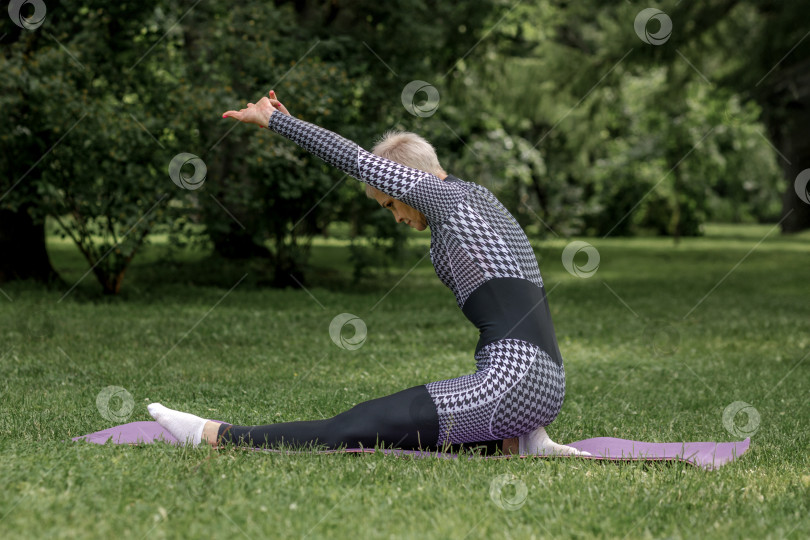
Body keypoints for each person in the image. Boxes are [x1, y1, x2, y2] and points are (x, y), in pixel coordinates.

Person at [147, 90, 588, 457]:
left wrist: (277, 122)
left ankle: (212, 434)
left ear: (406, 182)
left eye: (390, 203)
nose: (394, 216)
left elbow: (353, 158)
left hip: (513, 382)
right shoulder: (476, 202)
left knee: (355, 427)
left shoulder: (447, 200)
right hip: (545, 381)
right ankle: (521, 440)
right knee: (400, 433)